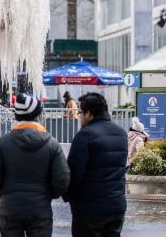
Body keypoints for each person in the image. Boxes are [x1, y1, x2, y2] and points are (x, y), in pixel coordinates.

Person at [0, 93, 70, 236]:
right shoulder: (52, 144)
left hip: (10, 208)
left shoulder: (3, 143)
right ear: (37, 115)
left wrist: (4, 194)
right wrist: (49, 195)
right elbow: (62, 178)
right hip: (40, 208)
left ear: (17, 116)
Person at [63, 92, 127, 237]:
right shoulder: (121, 133)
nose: (79, 116)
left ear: (89, 114)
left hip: (90, 210)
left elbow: (74, 173)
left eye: (80, 112)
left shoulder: (85, 135)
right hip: (117, 206)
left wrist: (67, 195)